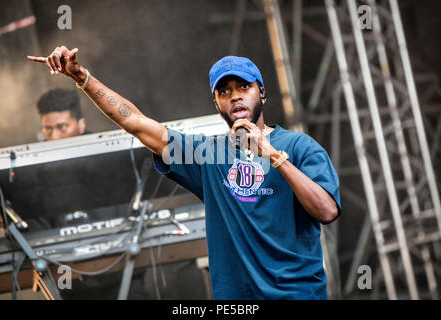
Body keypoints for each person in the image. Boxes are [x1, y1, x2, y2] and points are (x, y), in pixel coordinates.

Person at [28, 47, 341, 300]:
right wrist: (82, 77)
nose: (234, 95)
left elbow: (326, 211)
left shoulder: (299, 147)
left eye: (243, 87)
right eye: (224, 90)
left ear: (262, 93)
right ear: (216, 102)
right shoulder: (206, 154)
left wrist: (273, 155)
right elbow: (135, 122)